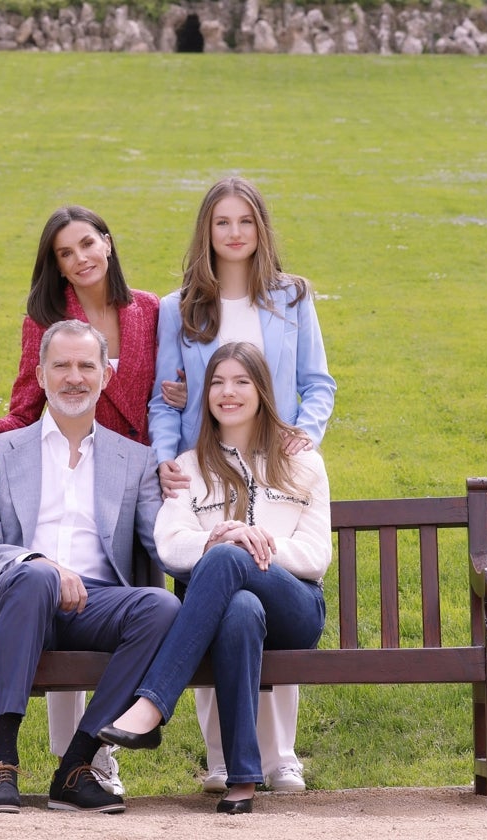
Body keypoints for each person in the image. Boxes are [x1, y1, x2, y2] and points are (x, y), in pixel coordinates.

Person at [0, 206, 184, 794]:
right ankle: (1, 762)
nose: (75, 377)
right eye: (62, 367)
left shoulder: (132, 462)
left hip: (92, 605)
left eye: (88, 366)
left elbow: (161, 537)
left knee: (160, 608)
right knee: (33, 581)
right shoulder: (3, 452)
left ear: (107, 374)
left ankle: (77, 763)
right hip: (8, 604)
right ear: (42, 370)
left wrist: (216, 536)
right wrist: (37, 564)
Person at [148, 176, 336, 793]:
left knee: (246, 569)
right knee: (232, 595)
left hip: (276, 467)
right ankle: (229, 759)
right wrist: (168, 461)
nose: (233, 234)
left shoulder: (291, 297)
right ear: (206, 231)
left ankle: (274, 754)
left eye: (245, 222)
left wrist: (299, 435)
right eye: (221, 222)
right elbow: (165, 396)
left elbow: (317, 382)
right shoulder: (180, 309)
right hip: (207, 471)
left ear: (261, 230)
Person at [100, 341, 332, 814]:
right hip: (225, 613)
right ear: (205, 395)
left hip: (296, 606)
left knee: (231, 555)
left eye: (241, 381)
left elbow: (314, 556)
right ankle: (242, 779)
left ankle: (152, 705)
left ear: (262, 390)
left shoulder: (303, 462)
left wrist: (253, 542)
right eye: (218, 382)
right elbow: (168, 543)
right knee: (239, 608)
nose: (228, 392)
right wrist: (213, 543)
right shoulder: (189, 468)